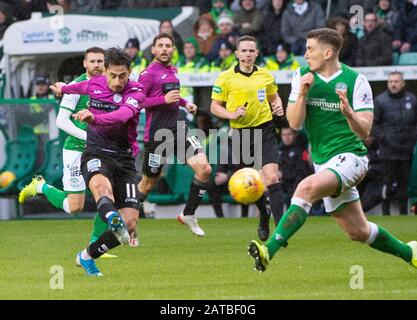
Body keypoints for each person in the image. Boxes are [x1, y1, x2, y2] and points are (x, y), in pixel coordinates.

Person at [248, 28, 417, 273]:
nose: (305, 55)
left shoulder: (355, 81)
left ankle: (268, 250)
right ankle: (410, 252)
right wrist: (304, 93)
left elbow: (364, 131)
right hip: (324, 162)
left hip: (352, 158)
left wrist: (348, 112)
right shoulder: (302, 76)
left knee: (305, 188)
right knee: (358, 232)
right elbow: (294, 124)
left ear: (327, 53)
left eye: (310, 49)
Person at [49, 47, 145, 276]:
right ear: (105, 72)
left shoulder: (136, 91)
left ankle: (86, 256)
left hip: (123, 158)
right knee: (102, 189)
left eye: (123, 75)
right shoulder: (94, 84)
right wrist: (63, 88)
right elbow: (76, 87)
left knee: (130, 222)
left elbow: (121, 116)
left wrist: (95, 118)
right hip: (96, 153)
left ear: (129, 72)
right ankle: (112, 217)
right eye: (113, 75)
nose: (117, 81)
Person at [18, 47, 119, 254]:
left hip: (101, 151)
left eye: (100, 61)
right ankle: (41, 187)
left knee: (107, 196)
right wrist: (88, 137)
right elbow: (61, 121)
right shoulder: (76, 86)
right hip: (76, 150)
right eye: (92, 61)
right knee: (75, 207)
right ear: (85, 64)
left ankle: (95, 245)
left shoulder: (111, 83)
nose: (97, 65)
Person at [210, 35, 285, 241]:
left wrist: (277, 105)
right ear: (237, 54)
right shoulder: (225, 78)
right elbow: (214, 107)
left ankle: (281, 231)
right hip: (241, 133)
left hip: (265, 130)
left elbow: (274, 97)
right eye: (244, 51)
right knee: (252, 183)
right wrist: (231, 114)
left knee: (271, 177)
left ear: (257, 53)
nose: (247, 54)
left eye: (251, 51)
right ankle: (263, 215)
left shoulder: (266, 76)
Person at [137, 33, 212, 237]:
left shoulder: (173, 70)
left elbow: (173, 98)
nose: (164, 49)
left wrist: (185, 104)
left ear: (173, 50)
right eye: (160, 45)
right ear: (153, 50)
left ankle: (188, 213)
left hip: (179, 129)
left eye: (168, 46)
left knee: (204, 169)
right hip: (157, 136)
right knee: (148, 184)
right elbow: (138, 102)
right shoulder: (147, 74)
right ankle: (126, 220)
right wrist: (163, 100)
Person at [373, 71, 417, 215]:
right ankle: (386, 214)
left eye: (396, 81)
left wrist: (412, 139)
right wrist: (384, 140)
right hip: (388, 152)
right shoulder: (380, 101)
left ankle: (404, 214)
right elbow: (375, 125)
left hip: (407, 151)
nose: (393, 84)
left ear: (403, 83)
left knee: (404, 186)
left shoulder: (412, 100)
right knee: (387, 184)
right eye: (390, 81)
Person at [277, 127, 311, 209]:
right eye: (284, 135)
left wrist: (282, 174)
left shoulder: (300, 150)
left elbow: (303, 173)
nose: (286, 137)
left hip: (296, 184)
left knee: (292, 193)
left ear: (295, 135)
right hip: (282, 184)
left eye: (289, 134)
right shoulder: (278, 151)